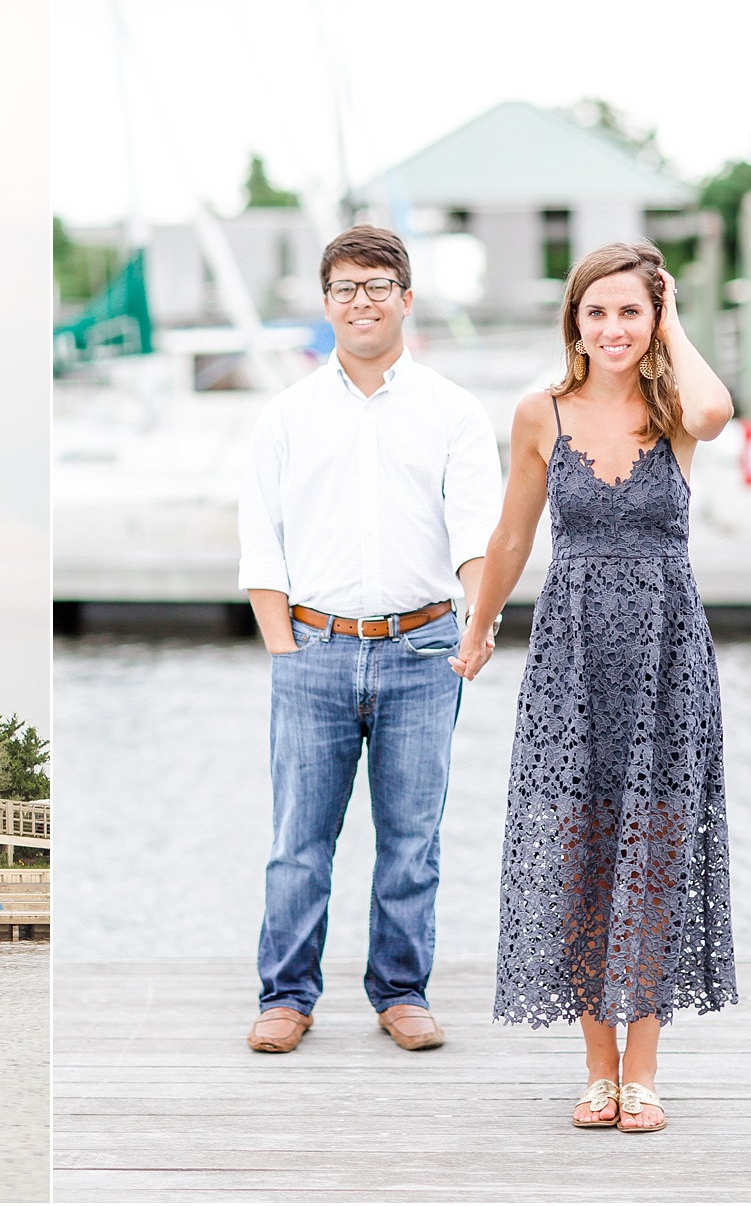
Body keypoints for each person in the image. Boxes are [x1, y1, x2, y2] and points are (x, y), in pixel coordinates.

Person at [452, 241, 738, 1133]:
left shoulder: (674, 409)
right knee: (581, 853)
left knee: (650, 855)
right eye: (595, 311)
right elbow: (510, 536)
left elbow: (717, 408)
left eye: (631, 311)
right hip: (571, 658)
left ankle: (645, 1070)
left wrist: (675, 307)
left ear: (655, 318)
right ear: (572, 319)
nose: (612, 328)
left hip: (665, 657)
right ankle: (597, 1068)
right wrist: (479, 621)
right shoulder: (540, 412)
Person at [239, 225, 502, 1055]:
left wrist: (479, 617)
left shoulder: (454, 412)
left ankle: (400, 991)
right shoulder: (286, 415)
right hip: (312, 647)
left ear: (406, 298)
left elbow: (476, 530)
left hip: (423, 648)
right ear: (326, 304)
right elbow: (261, 540)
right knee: (297, 844)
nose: (362, 300)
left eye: (378, 285)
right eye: (347, 287)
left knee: (412, 840)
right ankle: (286, 995)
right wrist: (283, 646)